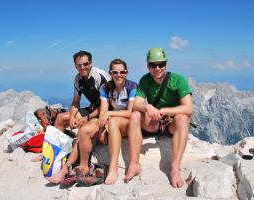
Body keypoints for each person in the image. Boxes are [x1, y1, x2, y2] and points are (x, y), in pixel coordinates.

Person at [124, 48, 193, 188]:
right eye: (153, 65)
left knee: (183, 118)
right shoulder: (145, 80)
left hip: (173, 123)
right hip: (154, 122)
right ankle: (134, 163)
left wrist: (165, 110)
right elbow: (137, 103)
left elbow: (188, 108)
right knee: (135, 115)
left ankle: (175, 168)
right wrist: (148, 107)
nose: (157, 68)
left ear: (166, 64)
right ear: (148, 66)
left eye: (161, 64)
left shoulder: (178, 80)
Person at [47, 50, 110, 183]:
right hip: (94, 108)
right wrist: (71, 117)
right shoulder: (78, 79)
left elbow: (106, 103)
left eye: (85, 64)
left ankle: (66, 167)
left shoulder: (100, 77)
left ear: (91, 63)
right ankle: (54, 155)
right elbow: (76, 102)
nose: (82, 67)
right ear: (75, 66)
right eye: (79, 65)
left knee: (83, 131)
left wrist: (87, 118)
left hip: (105, 111)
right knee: (60, 119)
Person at [75, 58, 137, 185]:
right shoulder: (105, 88)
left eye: (122, 72)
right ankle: (84, 168)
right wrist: (103, 127)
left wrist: (109, 114)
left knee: (113, 122)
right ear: (111, 73)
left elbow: (129, 112)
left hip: (127, 123)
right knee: (85, 129)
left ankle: (113, 168)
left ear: (127, 72)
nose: (119, 75)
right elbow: (102, 111)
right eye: (115, 72)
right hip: (111, 121)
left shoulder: (132, 87)